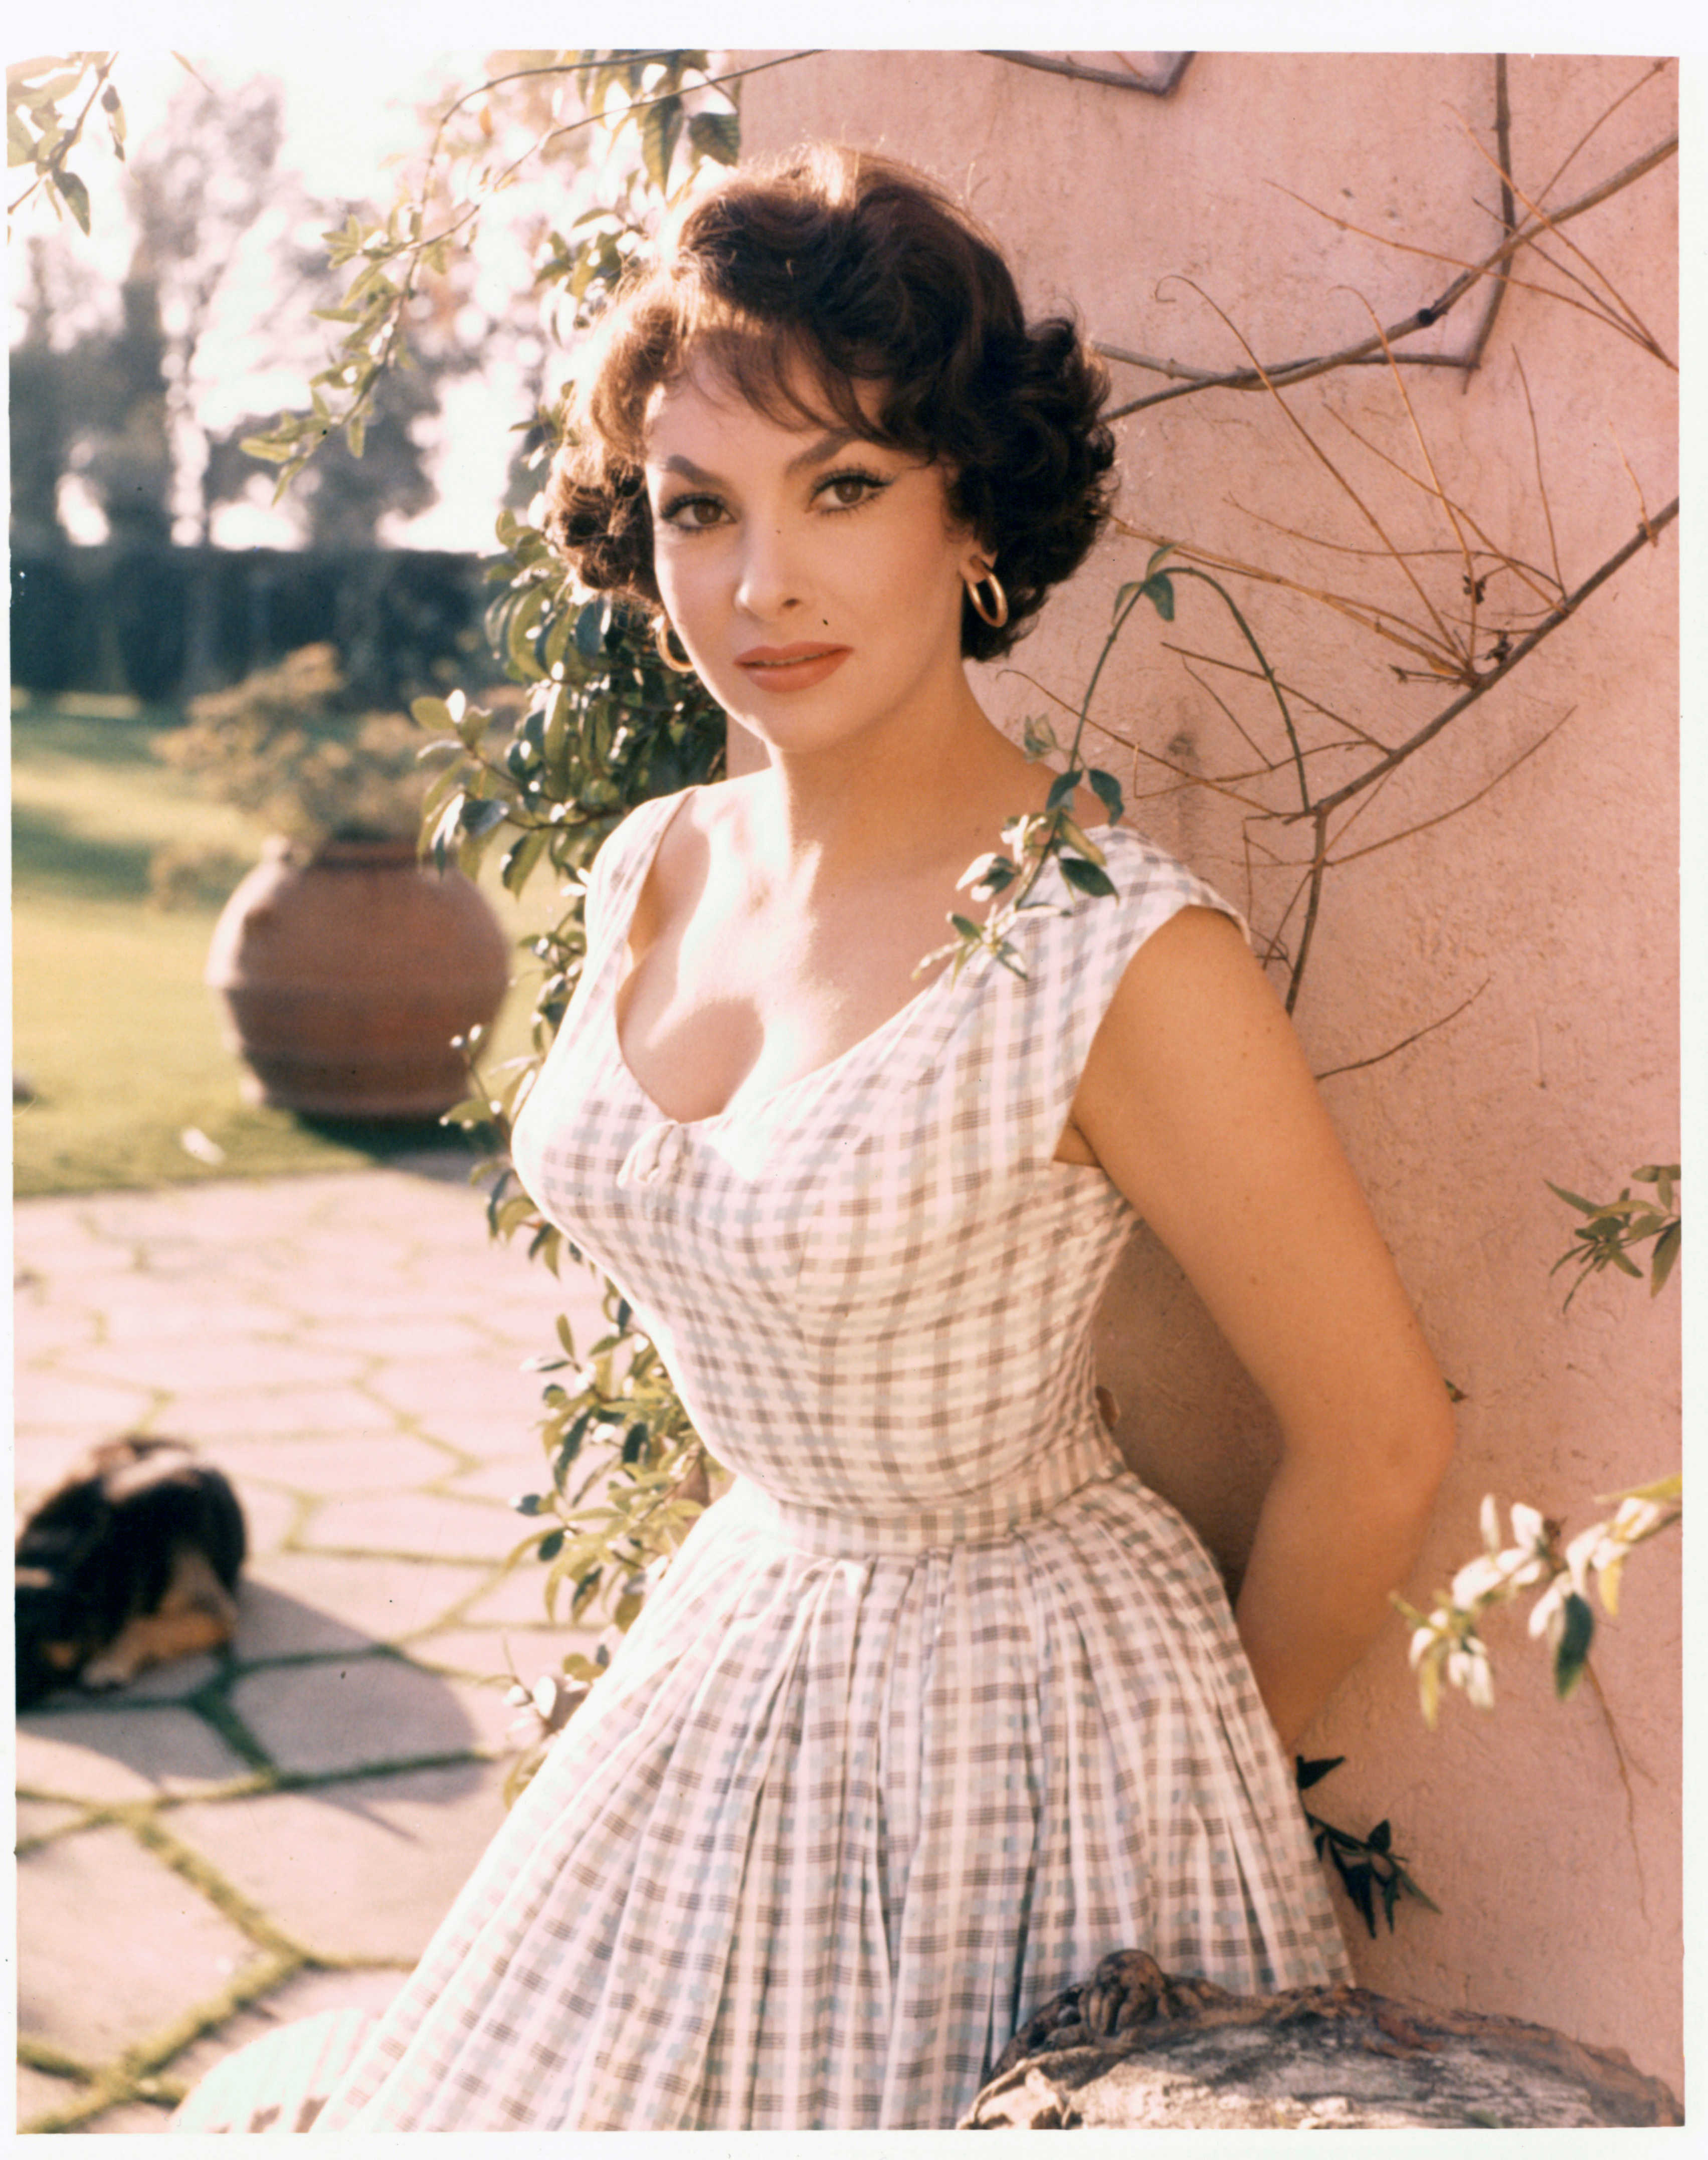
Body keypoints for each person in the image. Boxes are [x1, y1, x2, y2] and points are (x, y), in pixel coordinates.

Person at [174, 143, 1453, 2134]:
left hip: (1030, 1728)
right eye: (702, 509)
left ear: (971, 513)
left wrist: (1178, 1763)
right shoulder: (647, 865)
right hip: (737, 1641)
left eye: (842, 486)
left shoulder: (1102, 944)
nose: (761, 583)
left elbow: (1381, 1439)